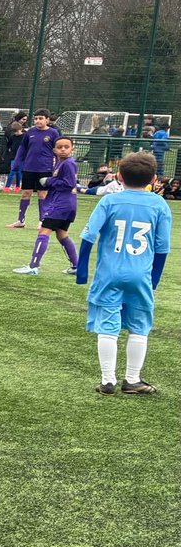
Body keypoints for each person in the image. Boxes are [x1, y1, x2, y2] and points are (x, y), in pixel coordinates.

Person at [75, 152, 171, 395]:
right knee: (139, 327)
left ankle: (108, 381)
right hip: (140, 276)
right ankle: (132, 379)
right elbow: (162, 248)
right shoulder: (159, 204)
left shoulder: (109, 201)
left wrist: (82, 271)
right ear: (154, 178)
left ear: (119, 176)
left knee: (108, 326)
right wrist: (154, 280)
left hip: (109, 274)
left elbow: (88, 237)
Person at [13, 136, 79, 275]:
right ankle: (76, 266)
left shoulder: (68, 163)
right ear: (54, 149)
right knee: (62, 235)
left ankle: (33, 266)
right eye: (59, 147)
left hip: (61, 204)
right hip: (68, 205)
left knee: (43, 232)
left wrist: (49, 181)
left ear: (72, 149)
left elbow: (68, 184)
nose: (62, 150)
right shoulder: (61, 163)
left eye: (66, 147)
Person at [7, 109, 60, 228]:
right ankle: (21, 220)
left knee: (42, 194)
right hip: (29, 167)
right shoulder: (30, 132)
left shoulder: (53, 133)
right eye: (36, 118)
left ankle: (42, 221)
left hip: (45, 169)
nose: (38, 121)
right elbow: (22, 148)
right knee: (26, 193)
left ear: (47, 119)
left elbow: (57, 151)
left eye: (41, 118)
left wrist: (57, 165)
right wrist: (16, 162)